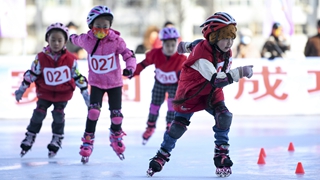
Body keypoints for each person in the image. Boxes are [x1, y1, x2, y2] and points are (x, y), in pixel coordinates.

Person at [146, 12, 254, 177]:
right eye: (226, 38)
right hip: (192, 92)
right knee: (178, 127)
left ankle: (221, 154)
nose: (230, 42)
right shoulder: (202, 56)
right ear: (214, 37)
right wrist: (241, 72)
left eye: (232, 37)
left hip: (211, 93)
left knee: (224, 116)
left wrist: (184, 46)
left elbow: (194, 44)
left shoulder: (220, 49)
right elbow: (216, 79)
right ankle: (162, 155)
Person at [69, 5, 136, 163]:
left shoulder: (116, 41)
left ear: (110, 27)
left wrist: (130, 68)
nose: (101, 30)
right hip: (97, 83)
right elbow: (74, 38)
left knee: (116, 115)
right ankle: (88, 139)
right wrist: (66, 34)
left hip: (114, 83)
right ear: (91, 26)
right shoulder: (87, 40)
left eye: (105, 27)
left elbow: (128, 54)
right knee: (93, 112)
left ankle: (116, 134)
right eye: (98, 26)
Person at [15, 22, 90, 158]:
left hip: (63, 93)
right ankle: (30, 135)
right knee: (39, 113)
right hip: (45, 91)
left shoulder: (71, 60)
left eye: (59, 40)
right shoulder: (41, 58)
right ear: (47, 40)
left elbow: (78, 76)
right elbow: (32, 74)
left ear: (65, 41)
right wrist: (22, 89)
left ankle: (57, 137)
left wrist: (86, 94)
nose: (56, 43)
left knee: (58, 115)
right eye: (53, 40)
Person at [132, 27, 187, 145]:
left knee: (172, 105)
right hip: (159, 83)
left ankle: (169, 125)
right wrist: (133, 72)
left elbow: (188, 72)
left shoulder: (181, 58)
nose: (170, 48)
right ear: (162, 44)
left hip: (174, 84)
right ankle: (150, 126)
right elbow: (143, 64)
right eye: (167, 45)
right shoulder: (155, 54)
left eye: (173, 45)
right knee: (154, 106)